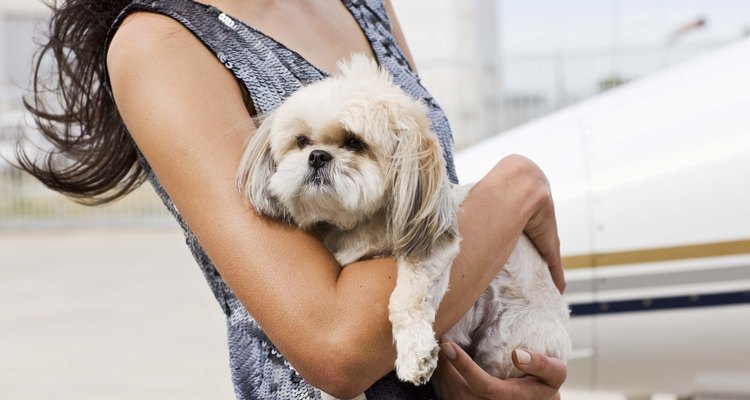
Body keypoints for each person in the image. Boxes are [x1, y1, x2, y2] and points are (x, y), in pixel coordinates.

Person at [18, 0, 567, 399]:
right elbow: (337, 341)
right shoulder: (160, 42)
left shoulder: (367, 7)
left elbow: (428, 209)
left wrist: (501, 375)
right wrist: (515, 188)